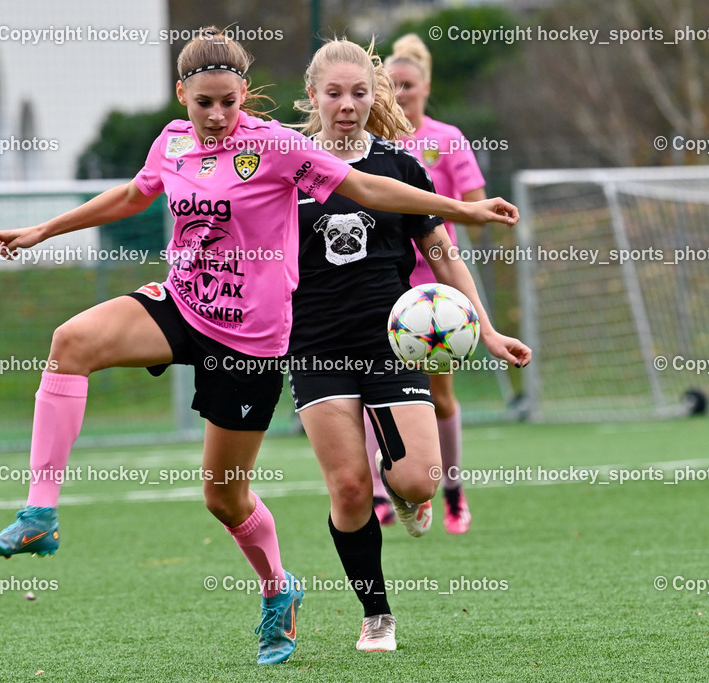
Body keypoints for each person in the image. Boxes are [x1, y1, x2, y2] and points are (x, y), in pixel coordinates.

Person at [0, 27, 518, 666]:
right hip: (183, 305)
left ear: (244, 96)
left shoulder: (278, 146)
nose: (218, 115)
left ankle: (278, 589)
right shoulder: (172, 141)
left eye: (229, 102)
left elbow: (366, 188)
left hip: (252, 343)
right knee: (71, 341)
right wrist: (45, 228)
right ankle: (40, 511)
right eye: (204, 103)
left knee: (223, 496)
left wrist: (463, 209)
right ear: (182, 96)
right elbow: (131, 194)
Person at [288, 39, 530, 651]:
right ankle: (376, 616)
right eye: (335, 93)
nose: (347, 105)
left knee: (420, 481)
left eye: (360, 93)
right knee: (347, 488)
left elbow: (443, 257)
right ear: (313, 96)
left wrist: (489, 329)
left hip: (391, 341)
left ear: (377, 97)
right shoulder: (284, 168)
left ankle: (414, 493)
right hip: (314, 345)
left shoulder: (401, 166)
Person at [360, 33, 496, 534]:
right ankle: (382, 492)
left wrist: (430, 206)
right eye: (390, 86)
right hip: (381, 283)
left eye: (409, 86)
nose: (400, 95)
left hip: (435, 289)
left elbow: (477, 213)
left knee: (439, 395)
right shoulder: (371, 147)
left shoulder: (445, 139)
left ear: (426, 86)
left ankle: (453, 489)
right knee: (376, 388)